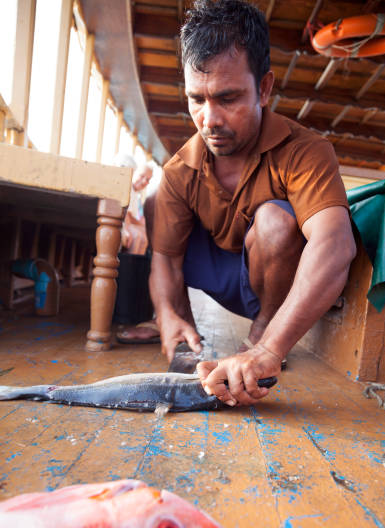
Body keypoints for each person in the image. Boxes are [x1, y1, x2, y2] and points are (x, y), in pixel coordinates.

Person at [124, 0, 356, 407]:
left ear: (264, 88)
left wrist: (269, 349)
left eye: (228, 98)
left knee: (275, 221)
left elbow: (334, 245)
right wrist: (167, 314)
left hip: (270, 281)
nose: (209, 119)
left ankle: (261, 336)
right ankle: (185, 339)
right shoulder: (181, 169)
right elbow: (164, 258)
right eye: (197, 99)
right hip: (214, 273)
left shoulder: (306, 151)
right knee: (157, 198)